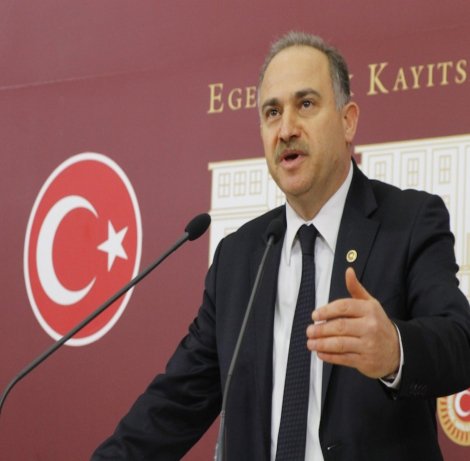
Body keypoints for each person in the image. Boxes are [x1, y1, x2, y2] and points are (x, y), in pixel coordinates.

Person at [91, 31, 470, 460]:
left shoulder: (409, 221)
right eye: (272, 113)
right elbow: (176, 402)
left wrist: (394, 349)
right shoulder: (239, 257)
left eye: (305, 104)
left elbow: (459, 343)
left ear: (348, 121)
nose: (286, 129)